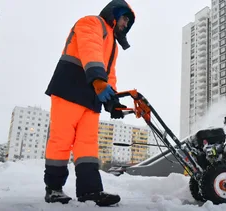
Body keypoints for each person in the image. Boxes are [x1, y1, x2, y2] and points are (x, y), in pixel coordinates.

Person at [43, 0, 135, 207]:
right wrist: (98, 81)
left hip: (91, 96)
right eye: (124, 18)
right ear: (115, 13)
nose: (125, 23)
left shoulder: (112, 43)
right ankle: (54, 188)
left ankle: (90, 191)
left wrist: (113, 102)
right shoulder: (92, 23)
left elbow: (109, 73)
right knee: (62, 140)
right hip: (70, 88)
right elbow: (89, 50)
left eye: (128, 21)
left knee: (87, 145)